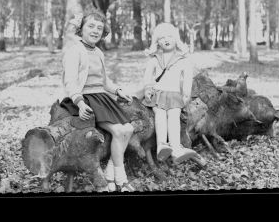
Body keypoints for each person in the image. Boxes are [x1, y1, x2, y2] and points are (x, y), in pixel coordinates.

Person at [61, 11, 135, 192]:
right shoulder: (74, 51)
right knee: (119, 130)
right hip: (84, 98)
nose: (95, 31)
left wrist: (118, 91)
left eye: (100, 28)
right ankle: (121, 179)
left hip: (100, 97)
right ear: (81, 29)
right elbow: (69, 81)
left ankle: (110, 172)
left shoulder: (99, 52)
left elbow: (104, 82)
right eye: (91, 26)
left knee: (129, 128)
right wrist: (79, 103)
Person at [142, 22, 204, 165]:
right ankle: (162, 145)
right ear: (157, 42)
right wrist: (147, 89)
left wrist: (186, 93)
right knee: (160, 115)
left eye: (170, 36)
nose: (166, 40)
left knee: (174, 116)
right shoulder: (154, 59)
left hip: (175, 94)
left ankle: (175, 148)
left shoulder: (182, 60)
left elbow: (187, 77)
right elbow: (147, 77)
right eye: (162, 38)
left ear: (176, 38)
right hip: (158, 94)